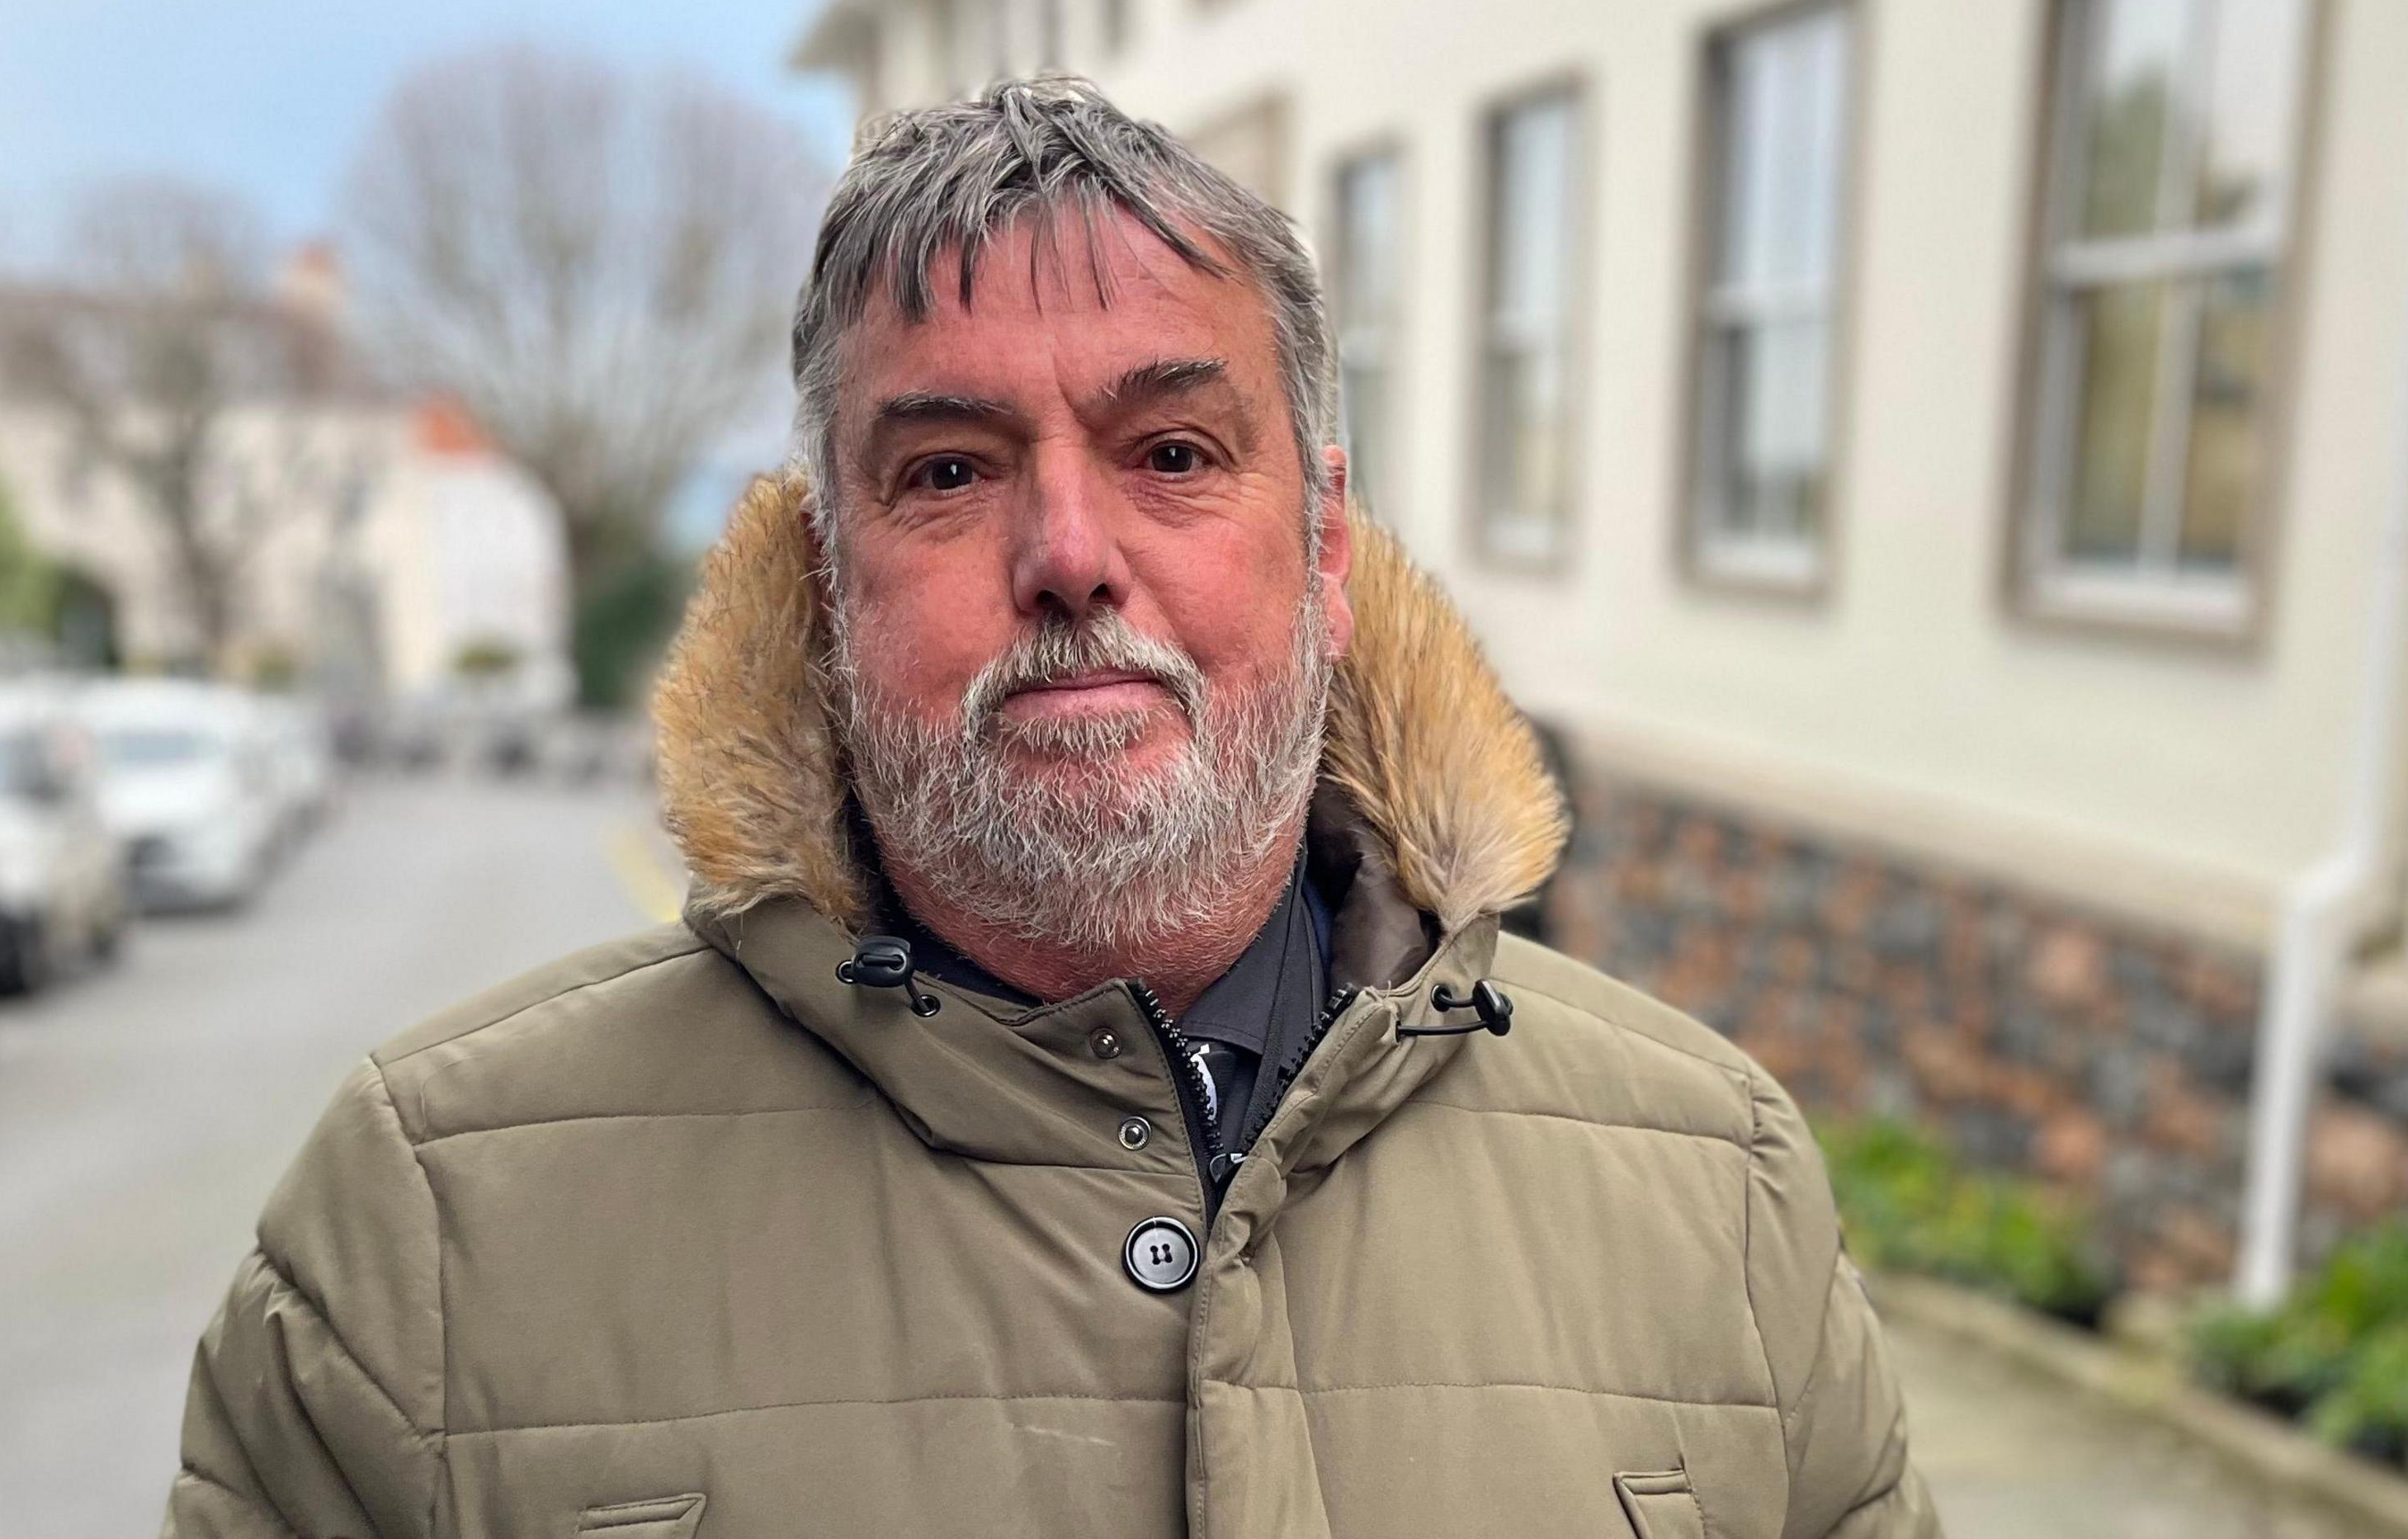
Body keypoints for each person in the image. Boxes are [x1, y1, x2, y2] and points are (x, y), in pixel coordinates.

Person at [163, 78, 1938, 1539]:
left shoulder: (1717, 1190)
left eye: (1173, 453)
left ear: (1325, 549)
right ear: (823, 575)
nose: (1072, 558)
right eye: (949, 472)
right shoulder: (432, 1239)